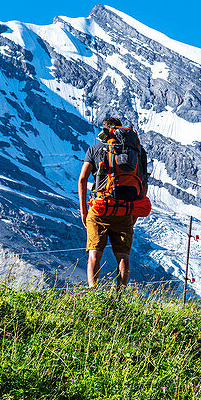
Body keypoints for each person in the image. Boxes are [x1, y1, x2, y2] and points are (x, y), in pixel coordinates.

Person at [78, 117, 147, 288]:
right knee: (123, 256)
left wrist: (83, 212)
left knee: (94, 253)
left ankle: (93, 294)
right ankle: (120, 295)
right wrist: (133, 211)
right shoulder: (137, 152)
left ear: (104, 130)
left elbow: (82, 180)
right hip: (125, 210)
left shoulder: (95, 149)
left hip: (100, 208)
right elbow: (143, 184)